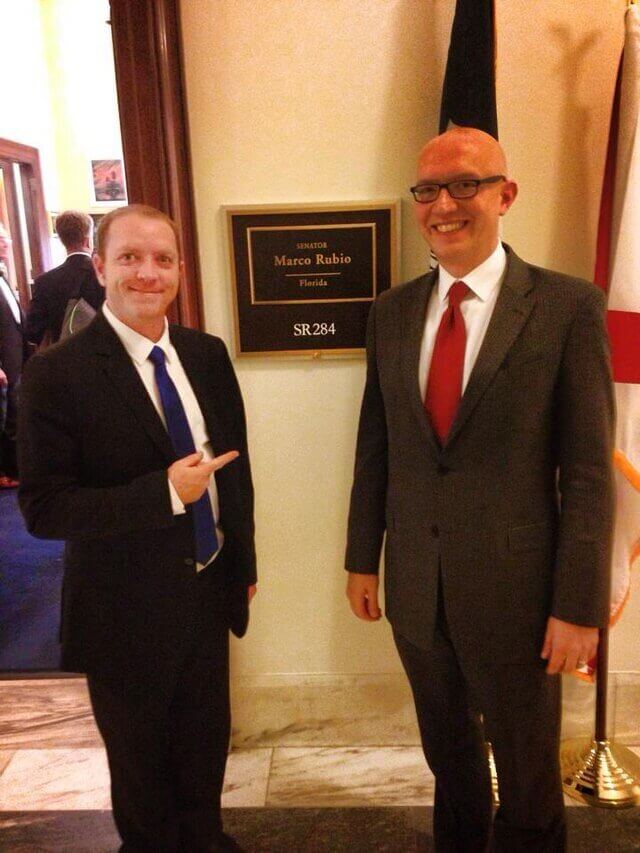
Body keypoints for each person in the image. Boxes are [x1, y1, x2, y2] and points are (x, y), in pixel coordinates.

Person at [345, 127, 614, 852]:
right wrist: (363, 558)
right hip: (416, 586)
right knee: (450, 762)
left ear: (505, 194)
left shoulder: (567, 307)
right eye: (428, 190)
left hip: (521, 594)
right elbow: (377, 445)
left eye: (465, 184)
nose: (444, 205)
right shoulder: (391, 312)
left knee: (527, 779)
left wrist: (578, 605)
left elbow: (589, 473)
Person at [18, 204, 256, 852]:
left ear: (179, 270)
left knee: (204, 752)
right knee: (142, 775)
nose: (148, 272)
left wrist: (243, 565)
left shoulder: (205, 355)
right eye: (130, 257)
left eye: (162, 259)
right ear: (100, 267)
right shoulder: (56, 374)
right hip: (121, 610)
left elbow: (235, 469)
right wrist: (163, 494)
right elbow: (45, 508)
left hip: (206, 591)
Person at [26, 210, 104, 346]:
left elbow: (33, 333)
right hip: (105, 352)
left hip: (63, 355)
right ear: (87, 241)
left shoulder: (44, 282)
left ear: (63, 241)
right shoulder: (104, 274)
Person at [0, 223, 29, 488]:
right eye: (0, 239)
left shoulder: (4, 275)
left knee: (14, 415)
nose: (5, 243)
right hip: (3, 363)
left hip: (15, 357)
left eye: (5, 238)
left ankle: (13, 470)